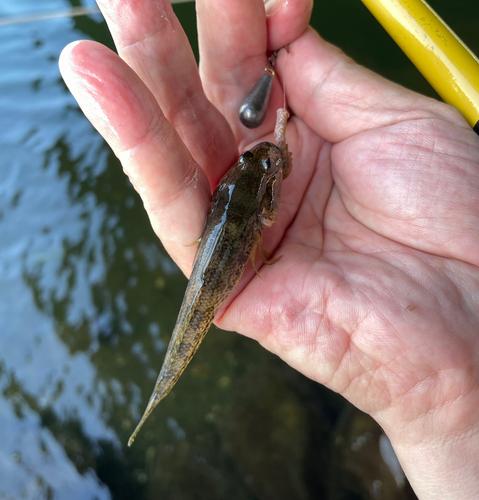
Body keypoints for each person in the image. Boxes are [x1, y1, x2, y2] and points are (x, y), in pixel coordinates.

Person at [59, 0, 479, 497]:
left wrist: (455, 410)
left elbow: (260, 209)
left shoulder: (251, 183)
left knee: (194, 316)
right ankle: (153, 402)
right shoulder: (260, 192)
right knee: (194, 319)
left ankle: (153, 403)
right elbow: (264, 215)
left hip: (225, 241)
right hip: (226, 245)